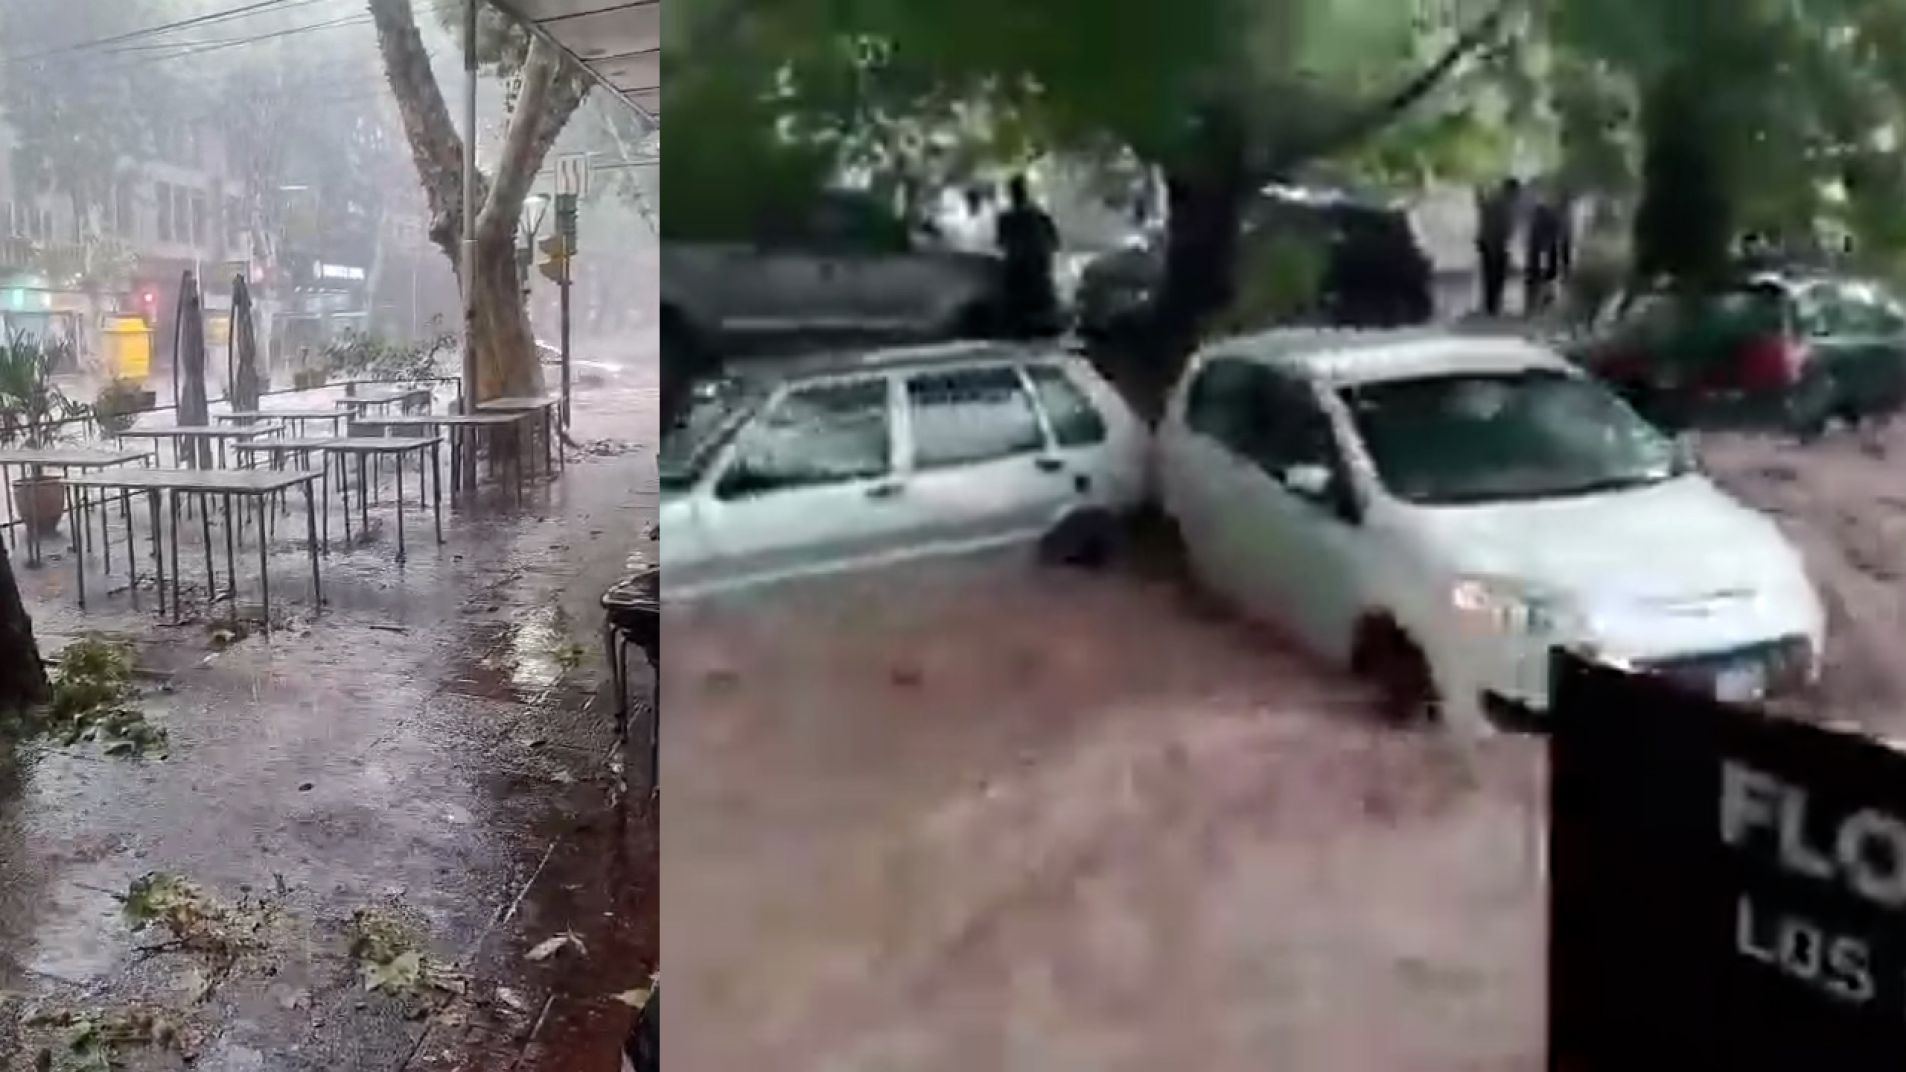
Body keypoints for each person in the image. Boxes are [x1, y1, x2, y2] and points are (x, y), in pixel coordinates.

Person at [994, 174, 1061, 337]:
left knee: (1014, 298)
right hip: (1038, 265)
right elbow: (1055, 242)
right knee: (1043, 294)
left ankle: (1019, 325)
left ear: (1010, 194)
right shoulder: (1040, 215)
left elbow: (1000, 243)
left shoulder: (1006, 218)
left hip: (1018, 267)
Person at [1476, 177, 1520, 317]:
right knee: (1496, 275)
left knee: (1490, 274)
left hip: (1488, 242)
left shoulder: (1497, 202)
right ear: (1511, 191)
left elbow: (1482, 207)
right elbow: (1501, 227)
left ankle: (1491, 304)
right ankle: (1493, 305)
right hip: (1495, 243)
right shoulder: (1504, 204)